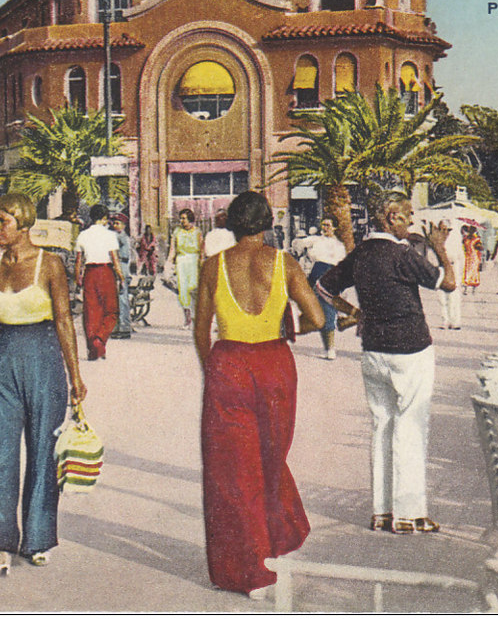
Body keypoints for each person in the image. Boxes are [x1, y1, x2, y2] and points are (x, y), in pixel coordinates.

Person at [193, 190, 325, 598]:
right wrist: (289, 327)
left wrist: (212, 371)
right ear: (269, 223)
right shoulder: (283, 263)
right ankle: (275, 540)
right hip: (274, 365)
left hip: (228, 362)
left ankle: (246, 567)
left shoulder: (214, 265)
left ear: (231, 224)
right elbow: (317, 317)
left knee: (231, 469)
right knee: (270, 456)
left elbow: (201, 329)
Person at [318, 191, 456, 535]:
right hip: (411, 349)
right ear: (391, 217)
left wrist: (355, 313)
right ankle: (409, 514)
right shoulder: (402, 254)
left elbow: (322, 287)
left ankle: (381, 512)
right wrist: (439, 247)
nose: (412, 221)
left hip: (374, 351)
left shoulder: (361, 253)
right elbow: (449, 283)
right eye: (408, 214)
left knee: (382, 426)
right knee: (411, 426)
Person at [0, 193, 86, 579]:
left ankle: (36, 539)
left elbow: (66, 322)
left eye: (2, 221)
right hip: (2, 363)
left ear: (23, 223)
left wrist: (76, 376)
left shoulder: (50, 265)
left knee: (42, 453)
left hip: (43, 362)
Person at [75, 204, 124, 360]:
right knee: (111, 310)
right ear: (104, 219)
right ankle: (100, 339)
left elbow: (78, 262)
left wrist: (78, 278)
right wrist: (121, 277)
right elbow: (115, 259)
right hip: (106, 272)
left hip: (90, 273)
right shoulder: (110, 235)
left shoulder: (82, 235)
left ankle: (93, 347)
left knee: (91, 311)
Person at [304, 216, 347, 360]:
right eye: (323, 225)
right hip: (316, 272)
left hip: (331, 275)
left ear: (334, 227)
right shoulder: (316, 240)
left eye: (328, 225)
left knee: (329, 310)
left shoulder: (339, 246)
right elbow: (298, 243)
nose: (325, 228)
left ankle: (330, 347)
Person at [168, 208, 204, 329]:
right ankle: (187, 320)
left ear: (190, 219)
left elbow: (202, 250)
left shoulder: (197, 232)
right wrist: (168, 263)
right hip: (181, 262)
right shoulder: (177, 231)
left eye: (184, 218)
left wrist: (202, 263)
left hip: (194, 263)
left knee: (194, 290)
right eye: (181, 218)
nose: (182, 221)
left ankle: (196, 319)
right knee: (183, 291)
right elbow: (172, 249)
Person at [436, 219, 464, 330]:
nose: (444, 231)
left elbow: (459, 256)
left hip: (453, 267)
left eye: (446, 229)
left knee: (454, 295)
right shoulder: (437, 239)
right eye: (442, 229)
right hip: (441, 268)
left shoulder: (454, 239)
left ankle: (455, 321)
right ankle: (445, 320)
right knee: (441, 297)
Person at [110, 213, 133, 339]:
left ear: (124, 225)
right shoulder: (117, 236)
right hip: (118, 265)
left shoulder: (122, 237)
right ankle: (119, 326)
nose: (114, 225)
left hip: (122, 266)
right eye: (113, 223)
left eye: (117, 223)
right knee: (118, 298)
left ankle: (124, 327)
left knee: (122, 298)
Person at [461, 225, 483, 294]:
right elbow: (480, 248)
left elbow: (464, 246)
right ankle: (472, 289)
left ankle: (467, 289)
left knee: (469, 272)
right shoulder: (475, 239)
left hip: (469, 257)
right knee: (473, 272)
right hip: (472, 257)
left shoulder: (466, 239)